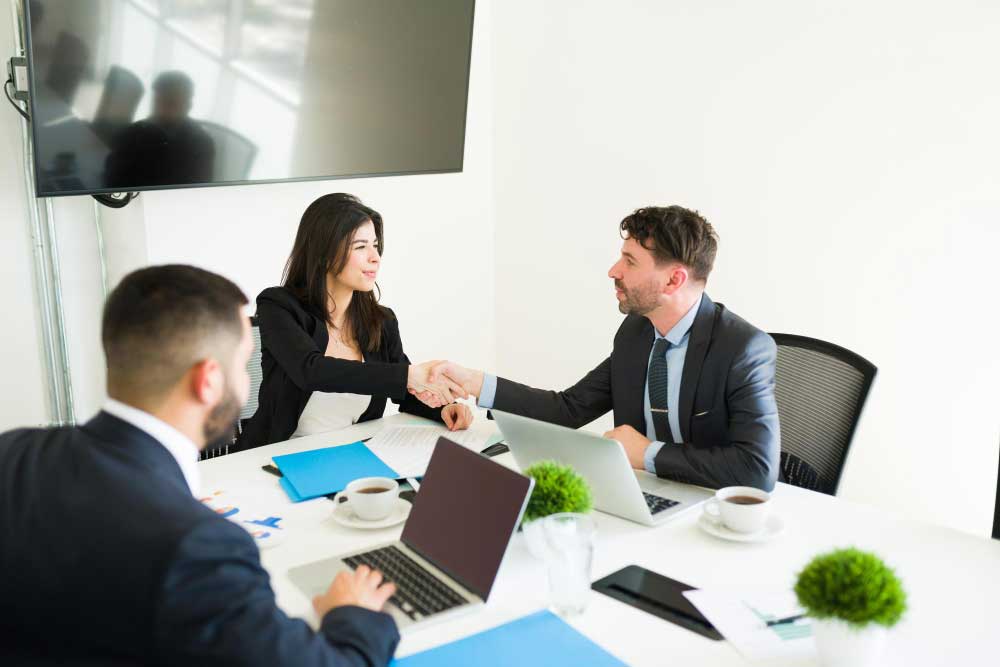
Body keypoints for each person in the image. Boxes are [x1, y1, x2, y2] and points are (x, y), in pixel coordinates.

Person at [0, 265, 400, 665]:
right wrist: (354, 616)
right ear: (208, 381)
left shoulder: (12, 453)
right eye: (244, 364)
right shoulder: (200, 549)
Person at [428, 206, 780, 491]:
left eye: (630, 261)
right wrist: (474, 383)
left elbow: (756, 469)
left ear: (674, 279)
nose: (614, 270)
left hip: (712, 508)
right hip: (642, 494)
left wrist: (648, 454)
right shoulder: (636, 333)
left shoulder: (743, 349)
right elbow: (568, 409)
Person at [236, 193, 471, 450]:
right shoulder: (279, 306)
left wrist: (445, 408)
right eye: (360, 247)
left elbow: (404, 391)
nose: (375, 257)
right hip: (274, 456)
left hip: (351, 454)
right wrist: (407, 376)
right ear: (324, 254)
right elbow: (310, 370)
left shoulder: (381, 321)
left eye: (375, 245)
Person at [104, 70, 215, 188]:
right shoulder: (133, 134)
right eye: (159, 102)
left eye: (172, 104)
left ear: (188, 106)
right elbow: (112, 177)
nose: (163, 109)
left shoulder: (202, 144)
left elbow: (199, 189)